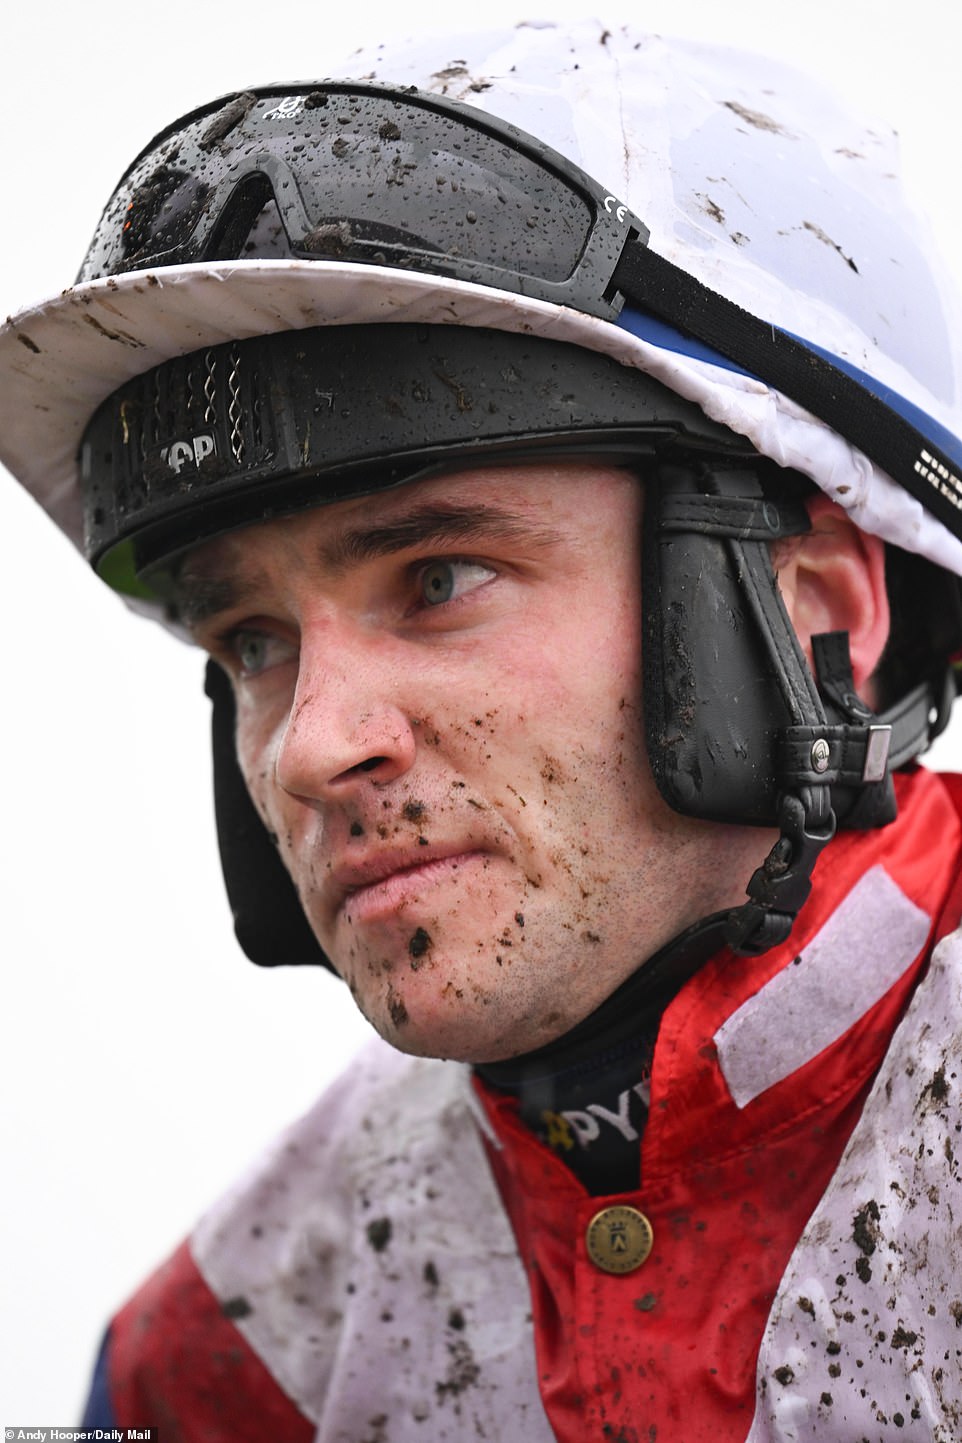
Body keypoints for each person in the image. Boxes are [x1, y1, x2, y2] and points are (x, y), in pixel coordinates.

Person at [3, 19, 962, 1442]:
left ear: (816, 608)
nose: (311, 750)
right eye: (252, 642)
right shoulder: (229, 1352)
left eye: (438, 579)